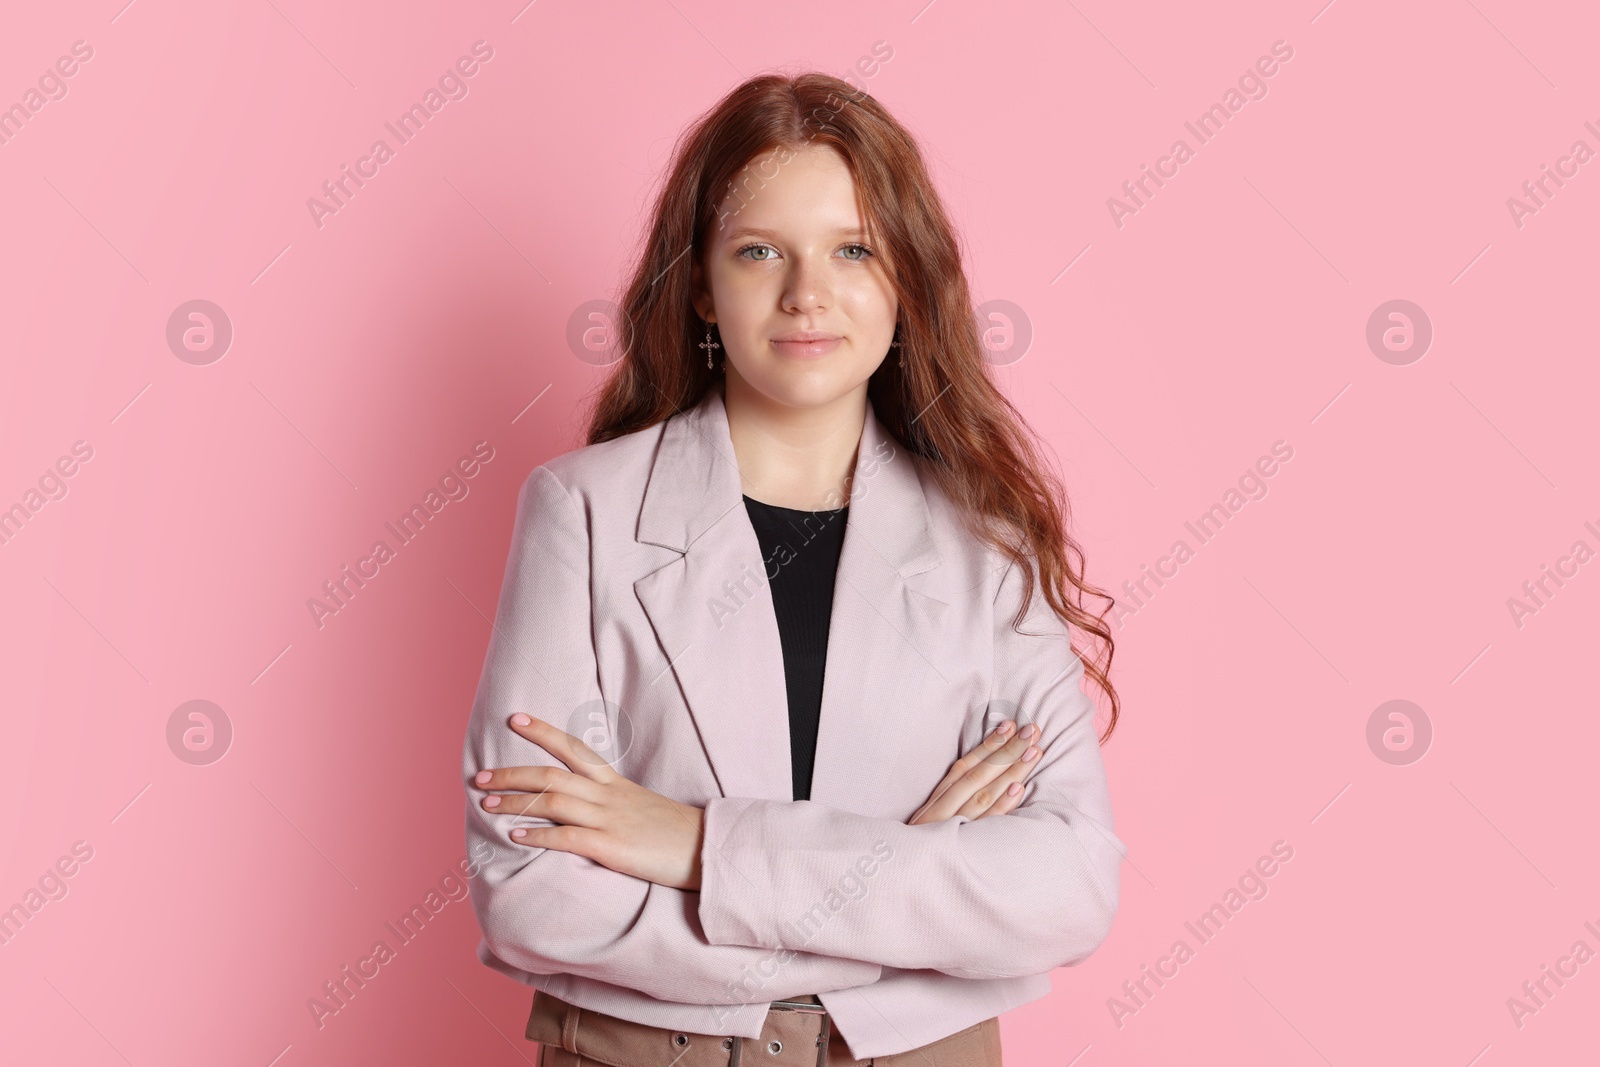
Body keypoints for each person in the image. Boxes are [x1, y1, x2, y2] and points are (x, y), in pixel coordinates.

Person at [462, 71, 1125, 1066]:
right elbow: (531, 894)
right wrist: (903, 880)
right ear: (700, 282)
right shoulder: (581, 512)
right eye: (759, 249)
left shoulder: (986, 544)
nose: (807, 292)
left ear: (905, 279)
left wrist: (692, 845)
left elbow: (1067, 887)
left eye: (853, 249)